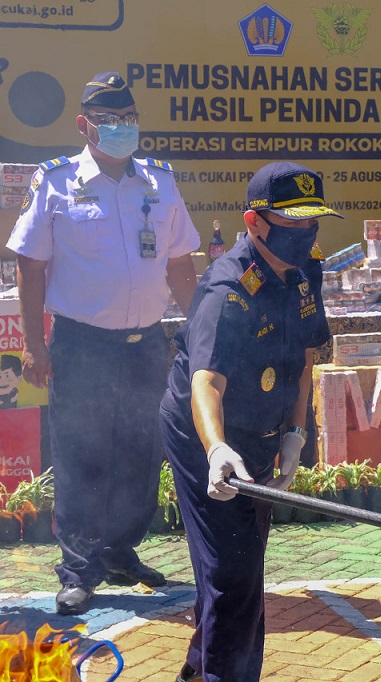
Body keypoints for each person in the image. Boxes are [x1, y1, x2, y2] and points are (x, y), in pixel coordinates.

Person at [7, 72, 199, 615]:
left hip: (144, 343)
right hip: (81, 344)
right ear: (84, 124)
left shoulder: (160, 182)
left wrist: (207, 325)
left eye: (128, 117)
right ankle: (79, 567)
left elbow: (181, 264)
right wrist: (34, 346)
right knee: (83, 455)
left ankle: (120, 552)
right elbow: (30, 264)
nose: (121, 127)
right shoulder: (57, 181)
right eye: (109, 118)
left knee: (141, 451)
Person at [159, 162, 340, 682]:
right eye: (291, 225)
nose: (304, 235)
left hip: (262, 431)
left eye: (313, 223)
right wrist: (216, 450)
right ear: (255, 222)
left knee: (235, 567)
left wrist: (295, 433)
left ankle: (198, 670)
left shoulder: (307, 270)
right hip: (205, 439)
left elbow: (303, 358)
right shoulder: (227, 287)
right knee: (234, 575)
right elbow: (206, 382)